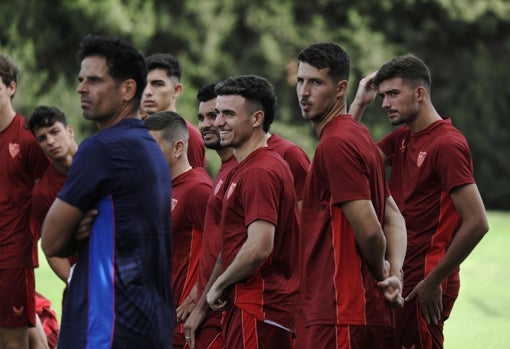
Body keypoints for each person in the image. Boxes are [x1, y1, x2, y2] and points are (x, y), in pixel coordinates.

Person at [40, 34, 174, 348]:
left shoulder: (101, 149)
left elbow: (52, 240)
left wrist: (74, 229)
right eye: (81, 79)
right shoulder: (150, 148)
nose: (81, 88)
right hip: (149, 324)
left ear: (127, 89)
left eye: (95, 80)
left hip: (107, 326)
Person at [349, 54, 489, 349]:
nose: (385, 103)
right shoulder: (403, 138)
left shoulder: (447, 144)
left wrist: (434, 280)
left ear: (420, 93)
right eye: (383, 95)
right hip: (400, 276)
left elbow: (477, 222)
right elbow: (348, 160)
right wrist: (359, 103)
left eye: (393, 94)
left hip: (423, 281)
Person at [295, 42, 407, 348]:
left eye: (315, 82)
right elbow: (394, 216)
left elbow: (372, 231)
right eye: (300, 81)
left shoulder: (336, 145)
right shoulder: (358, 136)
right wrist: (394, 274)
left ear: (340, 87)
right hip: (358, 313)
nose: (304, 92)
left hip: (340, 314)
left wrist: (381, 271)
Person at [205, 75, 300, 349]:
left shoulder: (260, 170)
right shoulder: (246, 166)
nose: (218, 121)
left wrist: (219, 284)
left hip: (259, 307)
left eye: (228, 114)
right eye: (217, 113)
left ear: (257, 118)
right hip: (254, 307)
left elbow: (259, 245)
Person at [144, 111, 213, 349]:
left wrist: (198, 294)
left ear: (178, 148)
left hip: (183, 325)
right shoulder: (163, 188)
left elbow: (227, 245)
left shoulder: (198, 190)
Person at [0, 53, 50, 349]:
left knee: (12, 342)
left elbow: (55, 189)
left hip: (12, 257)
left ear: (11, 87)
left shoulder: (28, 138)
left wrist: (38, 233)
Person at [183, 82, 235, 349]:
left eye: (213, 115)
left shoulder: (257, 165)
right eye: (201, 117)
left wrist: (202, 301)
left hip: (231, 310)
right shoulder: (223, 172)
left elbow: (238, 246)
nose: (205, 124)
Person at [27, 106, 79, 349]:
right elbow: (50, 247)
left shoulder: (99, 160)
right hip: (81, 279)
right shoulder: (44, 192)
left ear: (69, 130)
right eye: (42, 138)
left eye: (54, 132)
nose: (50, 141)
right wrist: (73, 278)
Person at [142, 53, 206, 168]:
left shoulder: (189, 135)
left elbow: (194, 183)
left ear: (176, 90)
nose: (148, 91)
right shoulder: (137, 129)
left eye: (157, 84)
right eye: (144, 84)